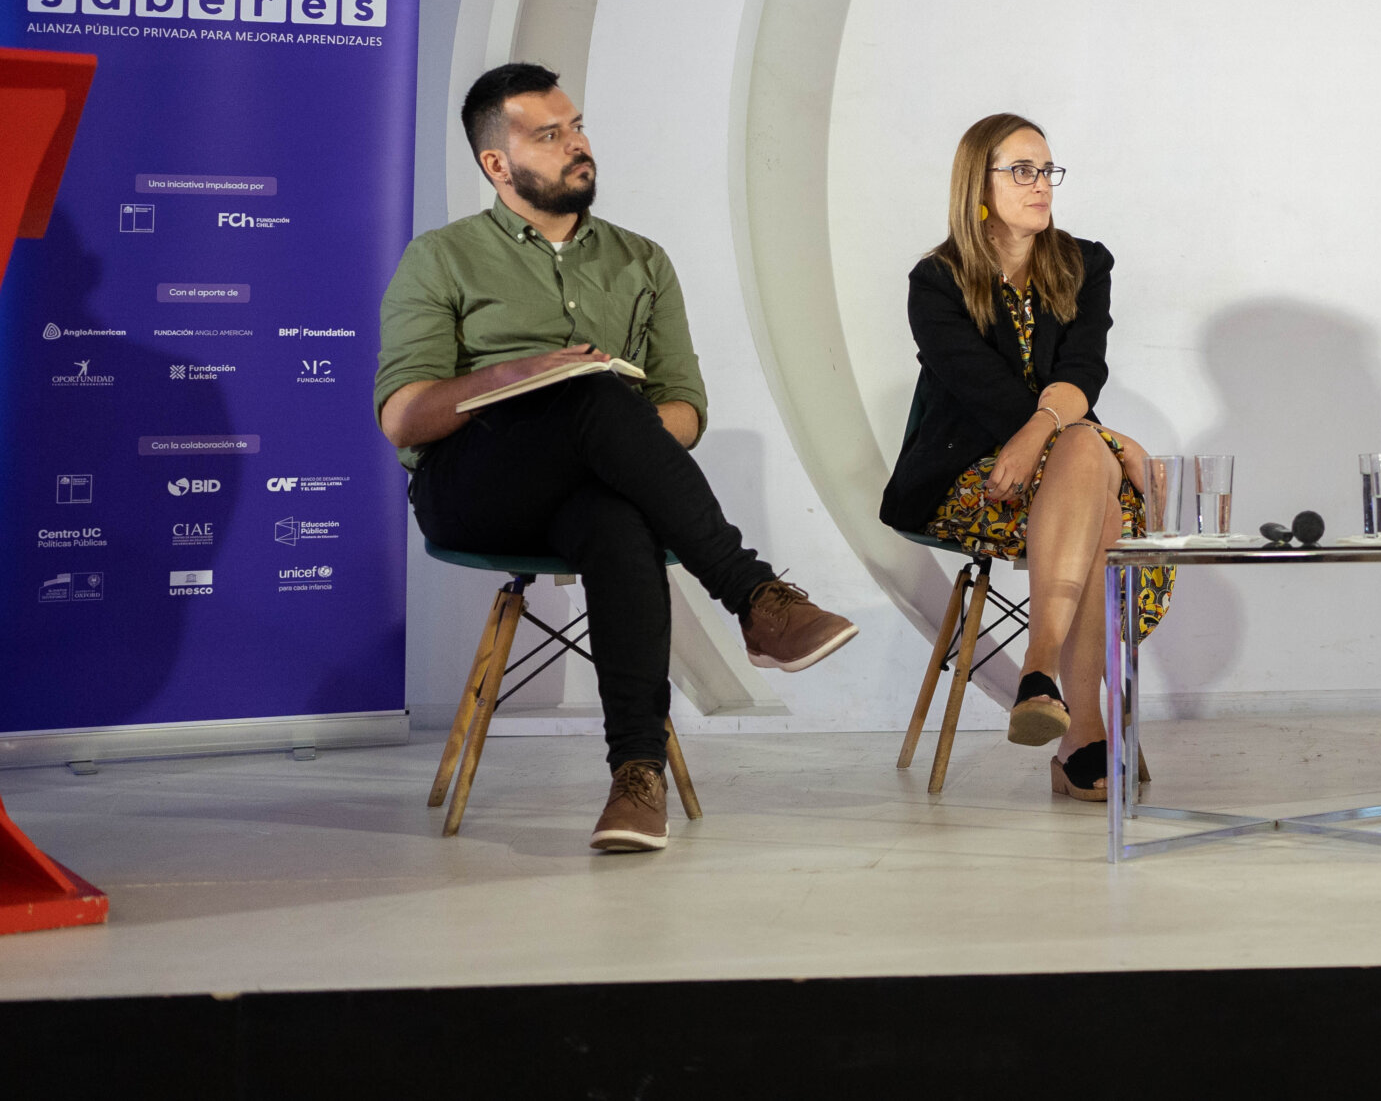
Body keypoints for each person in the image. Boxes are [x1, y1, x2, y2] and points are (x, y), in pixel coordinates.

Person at [379, 62, 858, 855]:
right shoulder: (442, 257)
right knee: (595, 395)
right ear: (497, 162)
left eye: (576, 126)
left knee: (615, 513)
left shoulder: (643, 260)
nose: (577, 144)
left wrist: (615, 431)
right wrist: (523, 375)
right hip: (472, 485)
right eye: (549, 133)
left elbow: (684, 411)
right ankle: (753, 595)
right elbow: (404, 416)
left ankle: (637, 775)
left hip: (593, 484)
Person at [881, 113, 1160, 804]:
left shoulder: (1086, 263)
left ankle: (1039, 675)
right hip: (975, 477)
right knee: (1101, 498)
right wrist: (1101, 438)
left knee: (1086, 460)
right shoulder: (937, 281)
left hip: (1063, 468)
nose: (1042, 185)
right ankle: (1083, 736)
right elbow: (984, 392)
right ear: (979, 184)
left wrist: (1060, 430)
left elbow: (1082, 370)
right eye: (1023, 171)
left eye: (1047, 170)